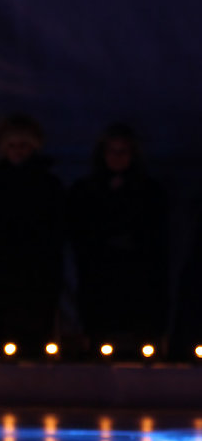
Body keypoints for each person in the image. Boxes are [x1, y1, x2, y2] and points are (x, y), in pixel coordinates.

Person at [68, 122, 168, 354]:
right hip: (99, 274)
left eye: (123, 151)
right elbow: (77, 229)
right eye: (112, 151)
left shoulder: (150, 191)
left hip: (137, 275)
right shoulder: (85, 190)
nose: (117, 157)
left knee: (137, 331)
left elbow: (157, 235)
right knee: (100, 329)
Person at [0, 114, 65, 355]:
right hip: (1, 269)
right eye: (12, 146)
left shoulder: (47, 184)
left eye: (23, 146)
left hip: (36, 268)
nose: (18, 152)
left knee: (33, 323)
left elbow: (55, 226)